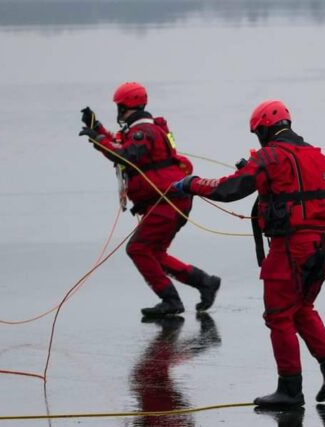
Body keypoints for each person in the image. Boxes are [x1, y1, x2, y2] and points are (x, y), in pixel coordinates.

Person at [173, 99, 325, 408]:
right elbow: (297, 190)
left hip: (292, 247)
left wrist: (191, 184)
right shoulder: (316, 155)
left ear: (265, 129)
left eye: (258, 133)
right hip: (322, 246)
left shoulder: (271, 156)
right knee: (303, 308)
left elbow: (228, 189)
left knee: (279, 315)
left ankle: (290, 390)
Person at [79, 82, 221, 318]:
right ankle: (205, 282)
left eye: (119, 107)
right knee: (155, 254)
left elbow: (126, 156)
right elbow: (119, 143)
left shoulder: (143, 132)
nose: (118, 112)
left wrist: (96, 139)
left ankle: (171, 300)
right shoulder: (146, 129)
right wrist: (97, 128)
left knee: (138, 249)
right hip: (172, 201)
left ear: (126, 107)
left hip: (167, 202)